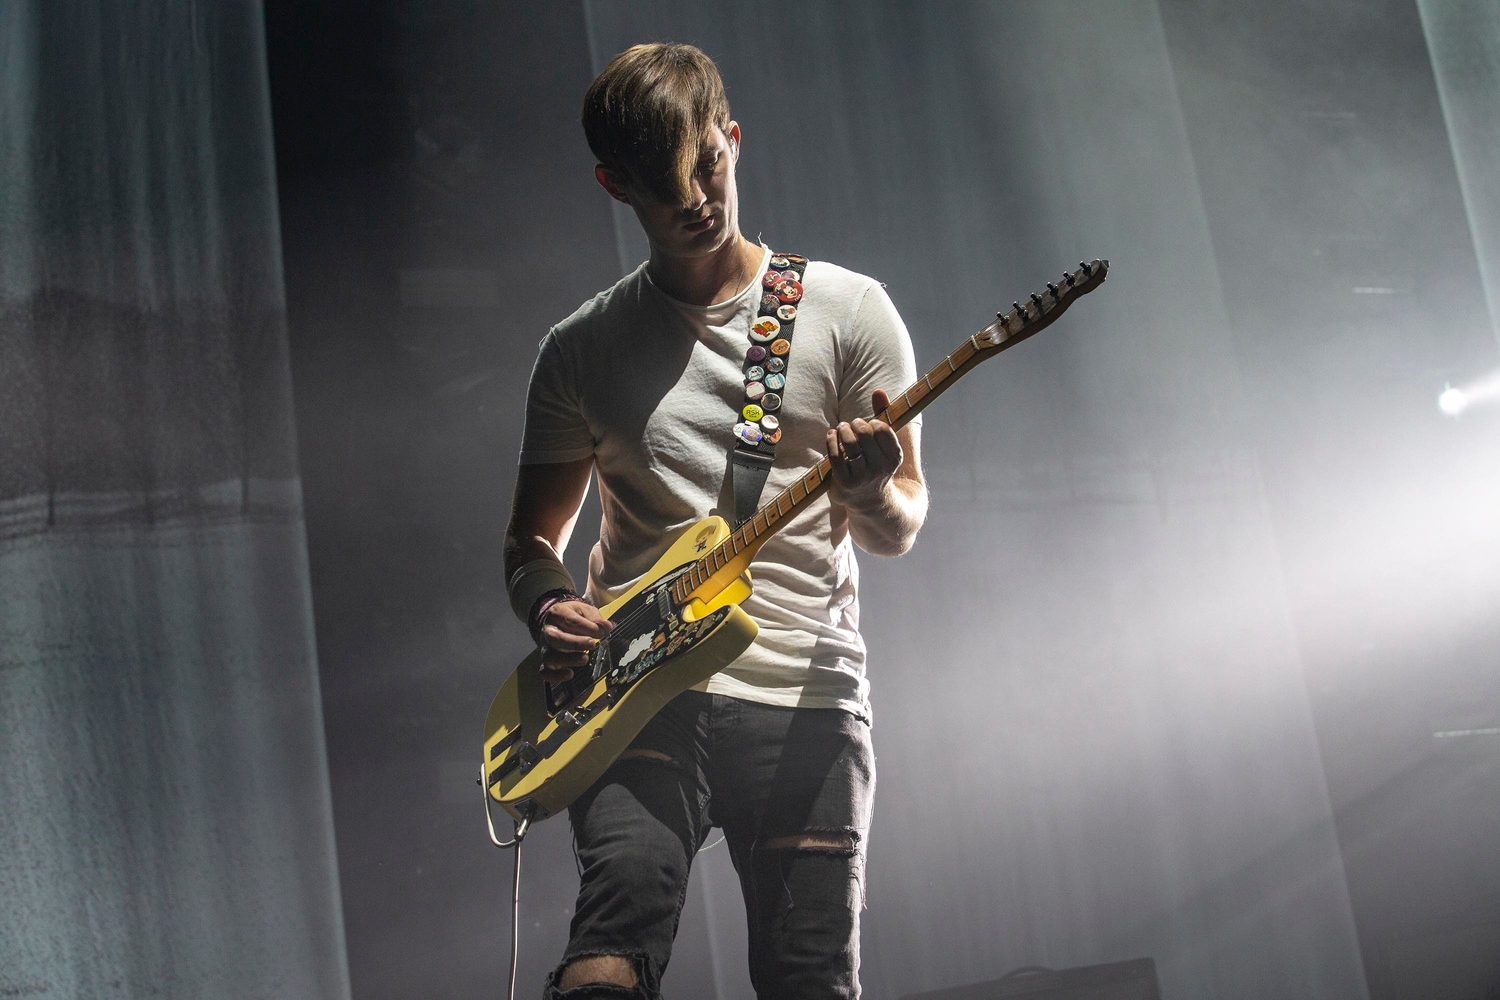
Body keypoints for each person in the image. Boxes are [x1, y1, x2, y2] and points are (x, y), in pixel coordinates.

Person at [503, 42, 927, 999]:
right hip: (640, 693)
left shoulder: (849, 312)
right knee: (615, 926)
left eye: (708, 164)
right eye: (663, 184)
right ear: (615, 186)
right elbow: (532, 543)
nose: (695, 196)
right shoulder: (577, 352)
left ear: (732, 139)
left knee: (808, 979)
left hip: (809, 696)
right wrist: (548, 606)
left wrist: (865, 486)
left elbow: (900, 527)